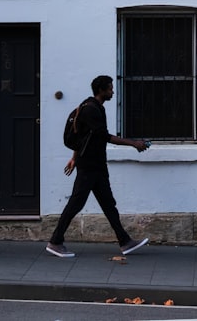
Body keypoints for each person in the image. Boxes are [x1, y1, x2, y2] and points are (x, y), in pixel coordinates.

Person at [46, 74, 150, 258]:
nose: (112, 91)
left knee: (109, 205)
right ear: (101, 90)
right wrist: (134, 144)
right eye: (110, 88)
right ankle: (55, 242)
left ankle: (125, 242)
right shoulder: (91, 110)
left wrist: (73, 158)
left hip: (96, 165)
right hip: (89, 166)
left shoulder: (93, 107)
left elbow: (84, 136)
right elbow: (104, 136)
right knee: (75, 204)